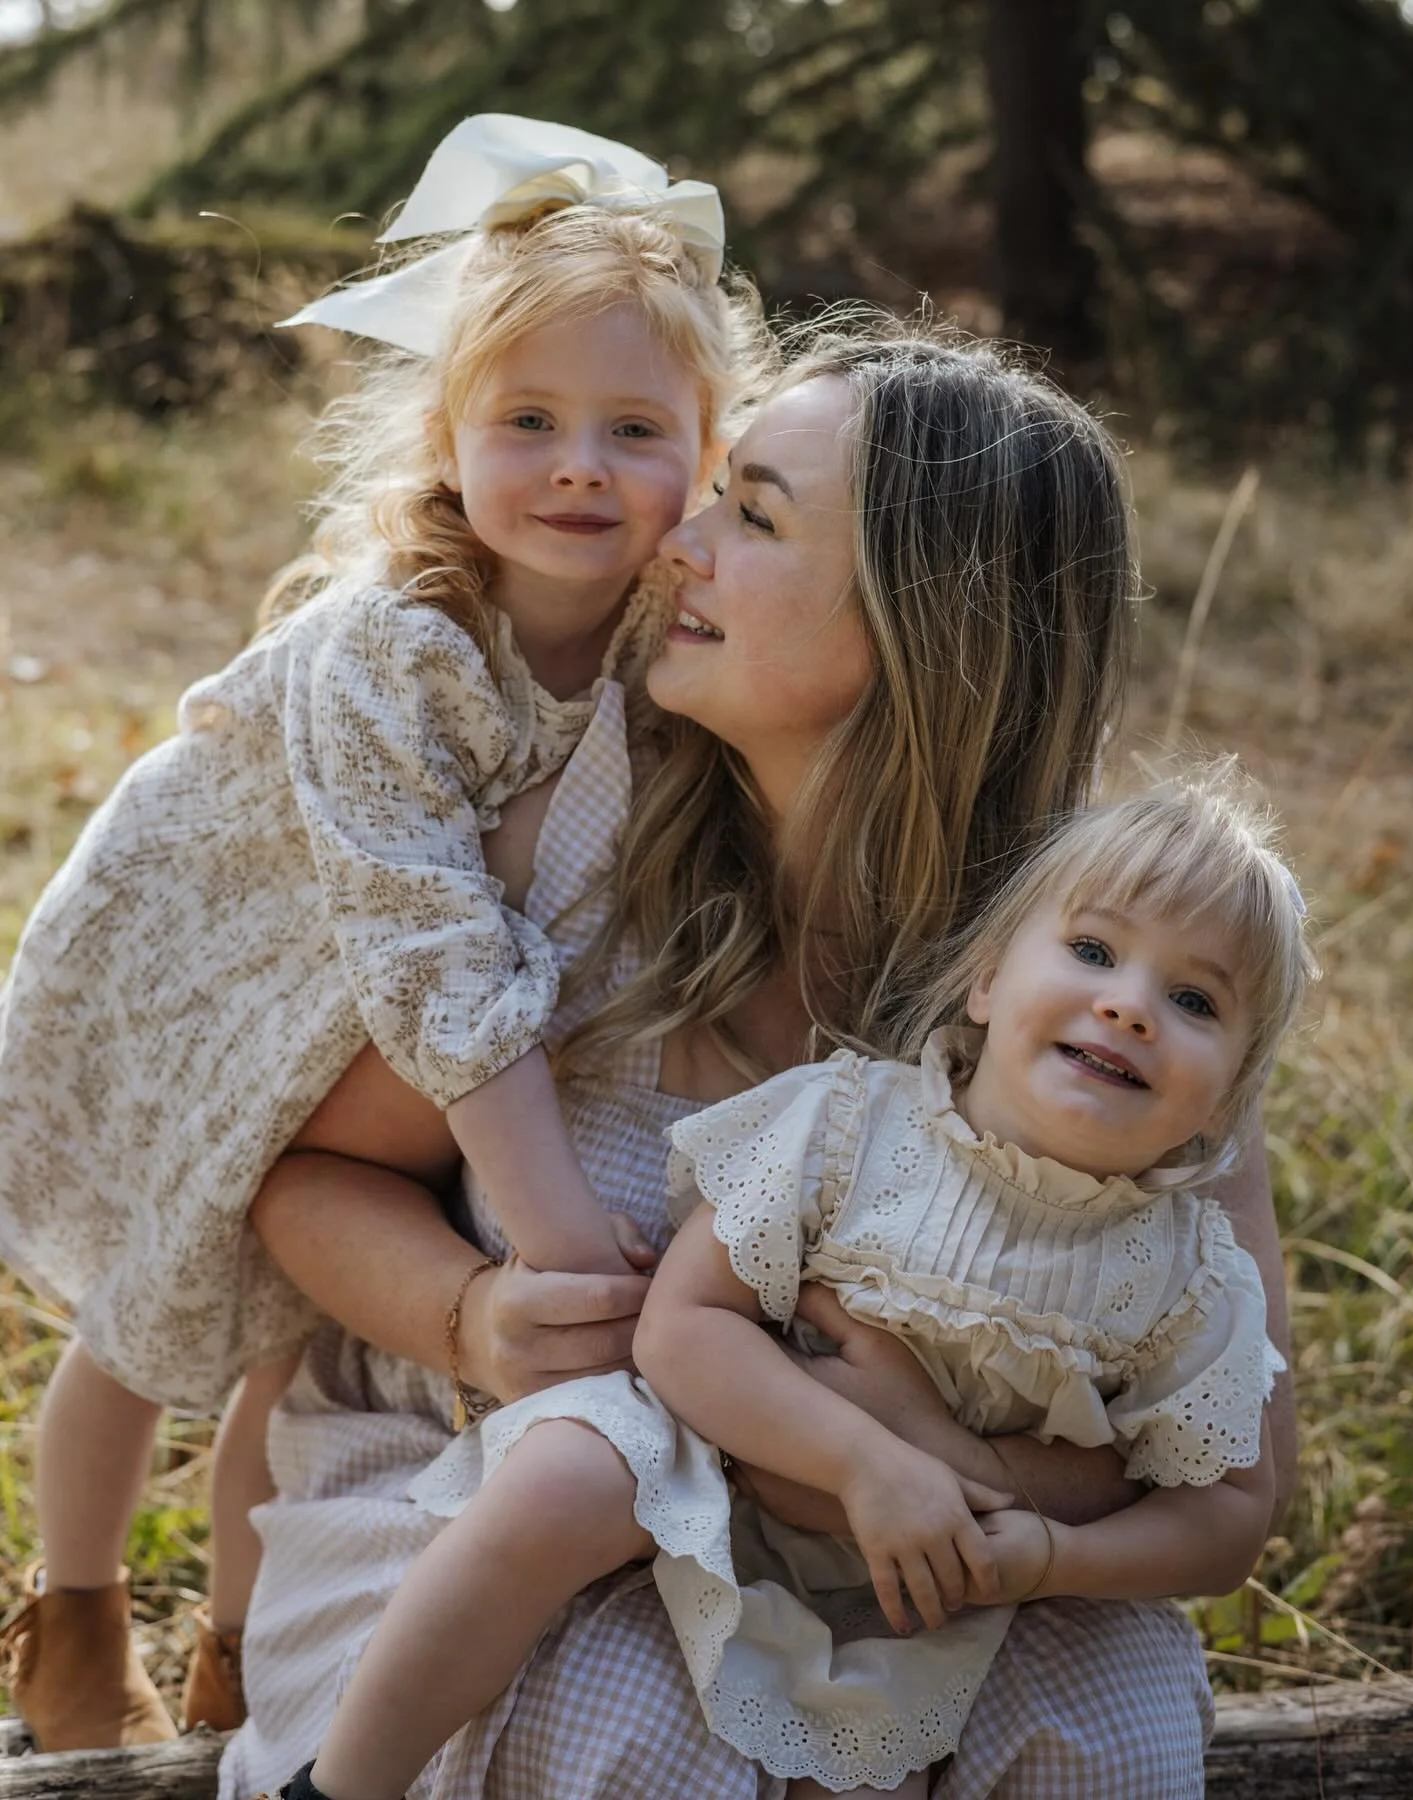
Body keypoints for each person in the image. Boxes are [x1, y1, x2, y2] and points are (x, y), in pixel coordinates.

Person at [223, 325, 1293, 1800]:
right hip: (535, 1505)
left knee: (1103, 1725)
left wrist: (918, 1448)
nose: (681, 539)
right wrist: (471, 1315)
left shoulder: (1107, 996)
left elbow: (1224, 1477)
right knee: (640, 1740)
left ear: (921, 628)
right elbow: (310, 1177)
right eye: (715, 492)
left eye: (756, 515)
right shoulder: (576, 865)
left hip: (944, 1555)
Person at [0, 114, 766, 1751]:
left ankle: (235, 1641)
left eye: (635, 428)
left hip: (394, 1018)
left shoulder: (658, 647)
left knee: (302, 1337)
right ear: (450, 432)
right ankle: (68, 1607)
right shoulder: (395, 648)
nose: (578, 465)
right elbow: (424, 943)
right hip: (215, 967)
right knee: (151, 1314)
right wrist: (558, 1236)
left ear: (710, 453)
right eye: (532, 419)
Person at [271, 773, 1311, 1800]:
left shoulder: (1183, 1274)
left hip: (925, 1573)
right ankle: (343, 1784)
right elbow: (680, 1332)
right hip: (716, 1448)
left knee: (874, 1767)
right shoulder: (851, 1122)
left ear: (1232, 1091)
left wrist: (1048, 1559)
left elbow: (1227, 1515)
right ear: (986, 982)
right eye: (1092, 951)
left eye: (1192, 1000)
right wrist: (863, 1460)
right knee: (561, 1478)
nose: (1128, 1007)